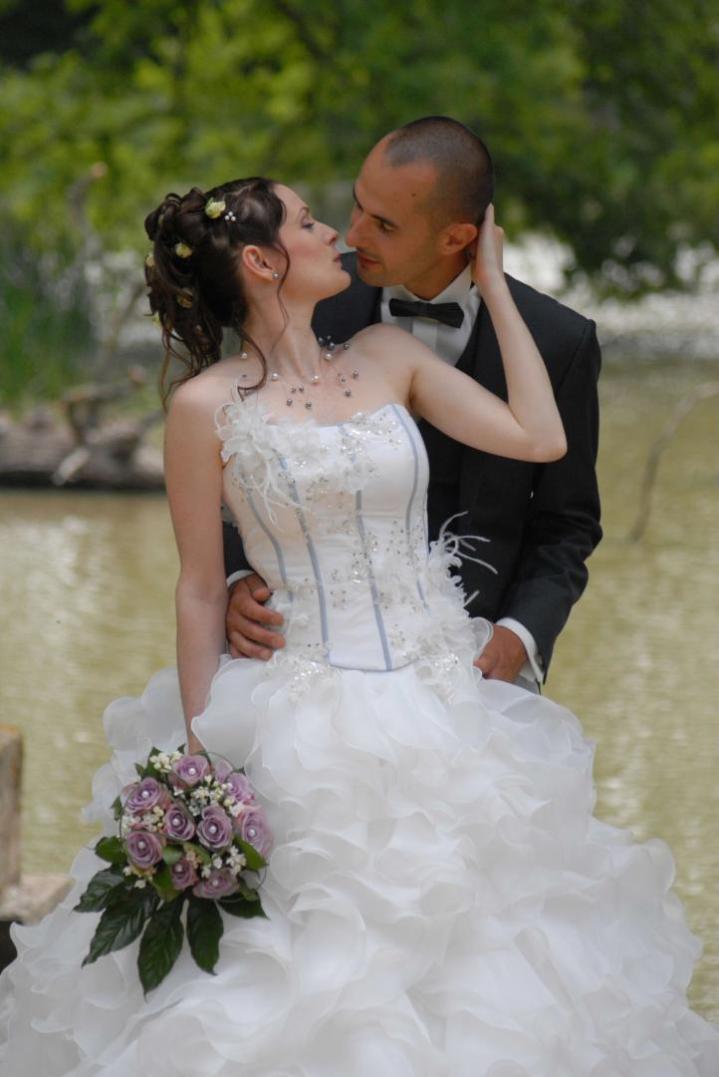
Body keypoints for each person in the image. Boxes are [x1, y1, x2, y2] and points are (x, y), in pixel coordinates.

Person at [1, 174, 717, 1077]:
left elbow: (539, 439)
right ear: (263, 262)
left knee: (484, 967)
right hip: (295, 713)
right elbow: (193, 588)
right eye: (309, 222)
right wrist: (201, 760)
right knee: (300, 979)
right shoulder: (201, 408)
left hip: (443, 705)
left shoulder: (384, 353)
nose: (334, 228)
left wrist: (493, 284)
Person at [224, 117, 602, 693]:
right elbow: (234, 453)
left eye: (383, 224)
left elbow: (567, 523)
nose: (352, 235)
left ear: (455, 238)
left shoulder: (558, 342)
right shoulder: (303, 301)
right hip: (306, 654)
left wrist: (521, 635)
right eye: (356, 208)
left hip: (477, 658)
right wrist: (234, 580)